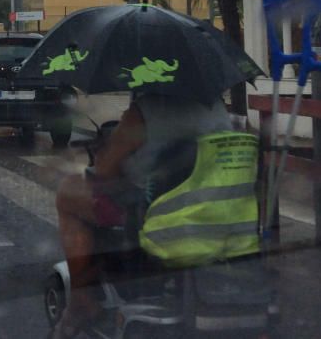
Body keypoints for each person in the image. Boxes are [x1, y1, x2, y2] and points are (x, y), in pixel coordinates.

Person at [51, 91, 231, 338]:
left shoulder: (143, 112)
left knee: (67, 193)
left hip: (152, 215)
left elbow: (104, 171)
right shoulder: (217, 108)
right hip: (215, 213)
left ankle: (82, 299)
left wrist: (107, 149)